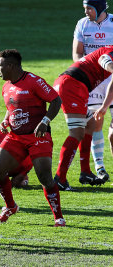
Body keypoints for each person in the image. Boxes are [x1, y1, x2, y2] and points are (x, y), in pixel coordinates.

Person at [0, 49, 65, 227]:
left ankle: (58, 217)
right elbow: (12, 107)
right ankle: (10, 206)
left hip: (37, 136)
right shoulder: (6, 86)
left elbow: (56, 100)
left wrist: (45, 121)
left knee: (44, 176)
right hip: (16, 136)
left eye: (0, 66)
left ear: (11, 66)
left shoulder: (34, 81)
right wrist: (6, 120)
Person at [54, 45, 113, 190]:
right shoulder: (110, 50)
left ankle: (85, 172)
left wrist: (104, 107)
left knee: (90, 124)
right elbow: (103, 60)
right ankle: (59, 178)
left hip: (75, 85)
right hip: (72, 85)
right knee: (77, 132)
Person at [72, 0, 113, 184]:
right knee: (96, 122)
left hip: (112, 77)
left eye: (90, 8)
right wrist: (85, 71)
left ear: (100, 8)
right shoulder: (82, 24)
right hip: (94, 80)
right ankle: (99, 167)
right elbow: (77, 53)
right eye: (85, 8)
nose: (86, 12)